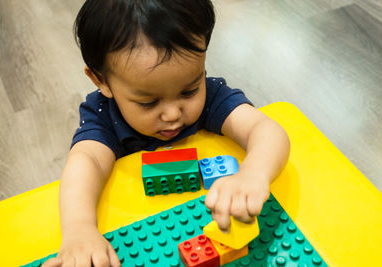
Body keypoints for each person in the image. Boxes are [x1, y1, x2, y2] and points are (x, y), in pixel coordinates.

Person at [43, 0, 290, 266]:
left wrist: (253, 174)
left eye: (189, 90)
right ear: (101, 81)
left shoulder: (211, 97)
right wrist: (79, 228)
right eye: (148, 102)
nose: (173, 114)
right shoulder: (104, 117)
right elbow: (85, 162)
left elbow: (266, 130)